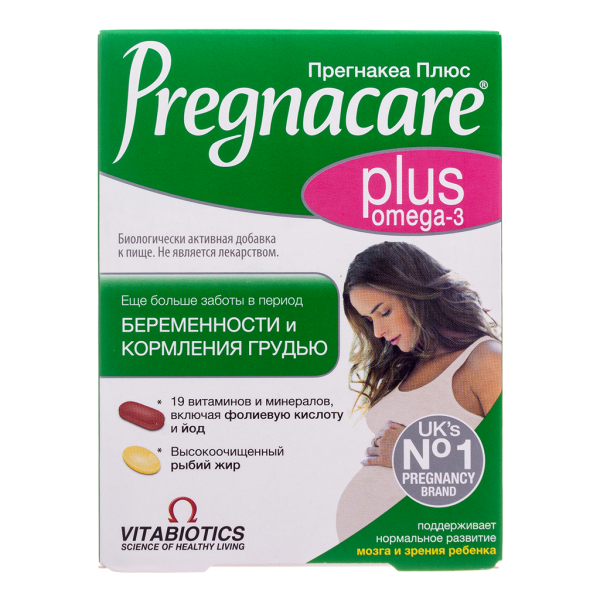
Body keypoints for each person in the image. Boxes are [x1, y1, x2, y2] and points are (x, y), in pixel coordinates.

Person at [336, 241, 501, 541]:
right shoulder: (410, 364)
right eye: (369, 320)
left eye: (384, 312)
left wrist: (412, 454)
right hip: (383, 548)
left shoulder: (485, 359)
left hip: (436, 545)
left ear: (416, 292)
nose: (377, 332)